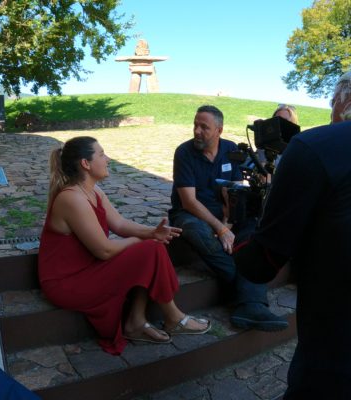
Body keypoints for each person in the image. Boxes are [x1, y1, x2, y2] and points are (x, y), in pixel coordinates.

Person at [233, 70, 351, 399]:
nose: (331, 112)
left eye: (331, 104)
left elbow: (260, 264)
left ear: (344, 100)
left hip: (334, 354)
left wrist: (243, 222)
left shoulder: (314, 147)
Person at [38, 136, 211, 356]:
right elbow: (104, 250)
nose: (107, 158)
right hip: (67, 281)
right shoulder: (71, 198)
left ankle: (138, 322)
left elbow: (119, 223)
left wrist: (151, 233)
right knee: (148, 250)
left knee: (151, 248)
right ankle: (173, 318)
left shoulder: (93, 191)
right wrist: (142, 241)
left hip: (88, 268)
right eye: (101, 154)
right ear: (85, 163)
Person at [168, 105, 288, 331]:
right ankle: (250, 296)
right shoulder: (184, 152)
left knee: (254, 225)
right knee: (198, 231)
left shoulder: (231, 149)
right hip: (189, 213)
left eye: (204, 127)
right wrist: (220, 230)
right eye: (195, 125)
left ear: (219, 130)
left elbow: (232, 193)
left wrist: (227, 224)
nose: (197, 131)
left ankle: (250, 307)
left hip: (223, 213)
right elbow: (189, 202)